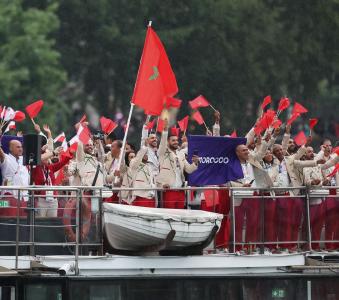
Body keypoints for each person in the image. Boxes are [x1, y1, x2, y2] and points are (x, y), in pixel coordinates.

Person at [272, 136, 325, 253]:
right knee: (283, 223)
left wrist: (313, 157)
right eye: (277, 151)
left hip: (294, 194)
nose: (280, 151)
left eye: (281, 150)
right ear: (273, 153)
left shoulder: (289, 159)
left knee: (295, 222)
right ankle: (282, 245)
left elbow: (301, 159)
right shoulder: (273, 163)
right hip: (281, 196)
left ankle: (292, 246)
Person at [157, 120, 199, 209]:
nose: (176, 142)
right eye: (173, 140)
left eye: (176, 140)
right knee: (169, 216)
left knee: (180, 216)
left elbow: (189, 169)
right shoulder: (163, 152)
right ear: (168, 142)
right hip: (169, 191)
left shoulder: (181, 154)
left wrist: (195, 163)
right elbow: (162, 144)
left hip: (180, 191)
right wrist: (165, 131)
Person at [303, 146, 330, 251]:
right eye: (309, 152)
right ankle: (308, 246)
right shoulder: (306, 166)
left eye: (312, 151)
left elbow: (322, 180)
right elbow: (306, 182)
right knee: (310, 224)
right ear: (305, 154)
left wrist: (325, 181)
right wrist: (312, 182)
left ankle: (316, 245)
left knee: (319, 224)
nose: (311, 153)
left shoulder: (318, 165)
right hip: (312, 198)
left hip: (321, 196)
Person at [0, 139, 29, 216]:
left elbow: (41, 158)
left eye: (21, 147)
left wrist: (53, 152)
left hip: (22, 197)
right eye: (18, 147)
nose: (20, 149)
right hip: (7, 196)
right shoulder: (5, 158)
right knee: (6, 221)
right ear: (10, 148)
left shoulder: (23, 159)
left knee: (23, 223)